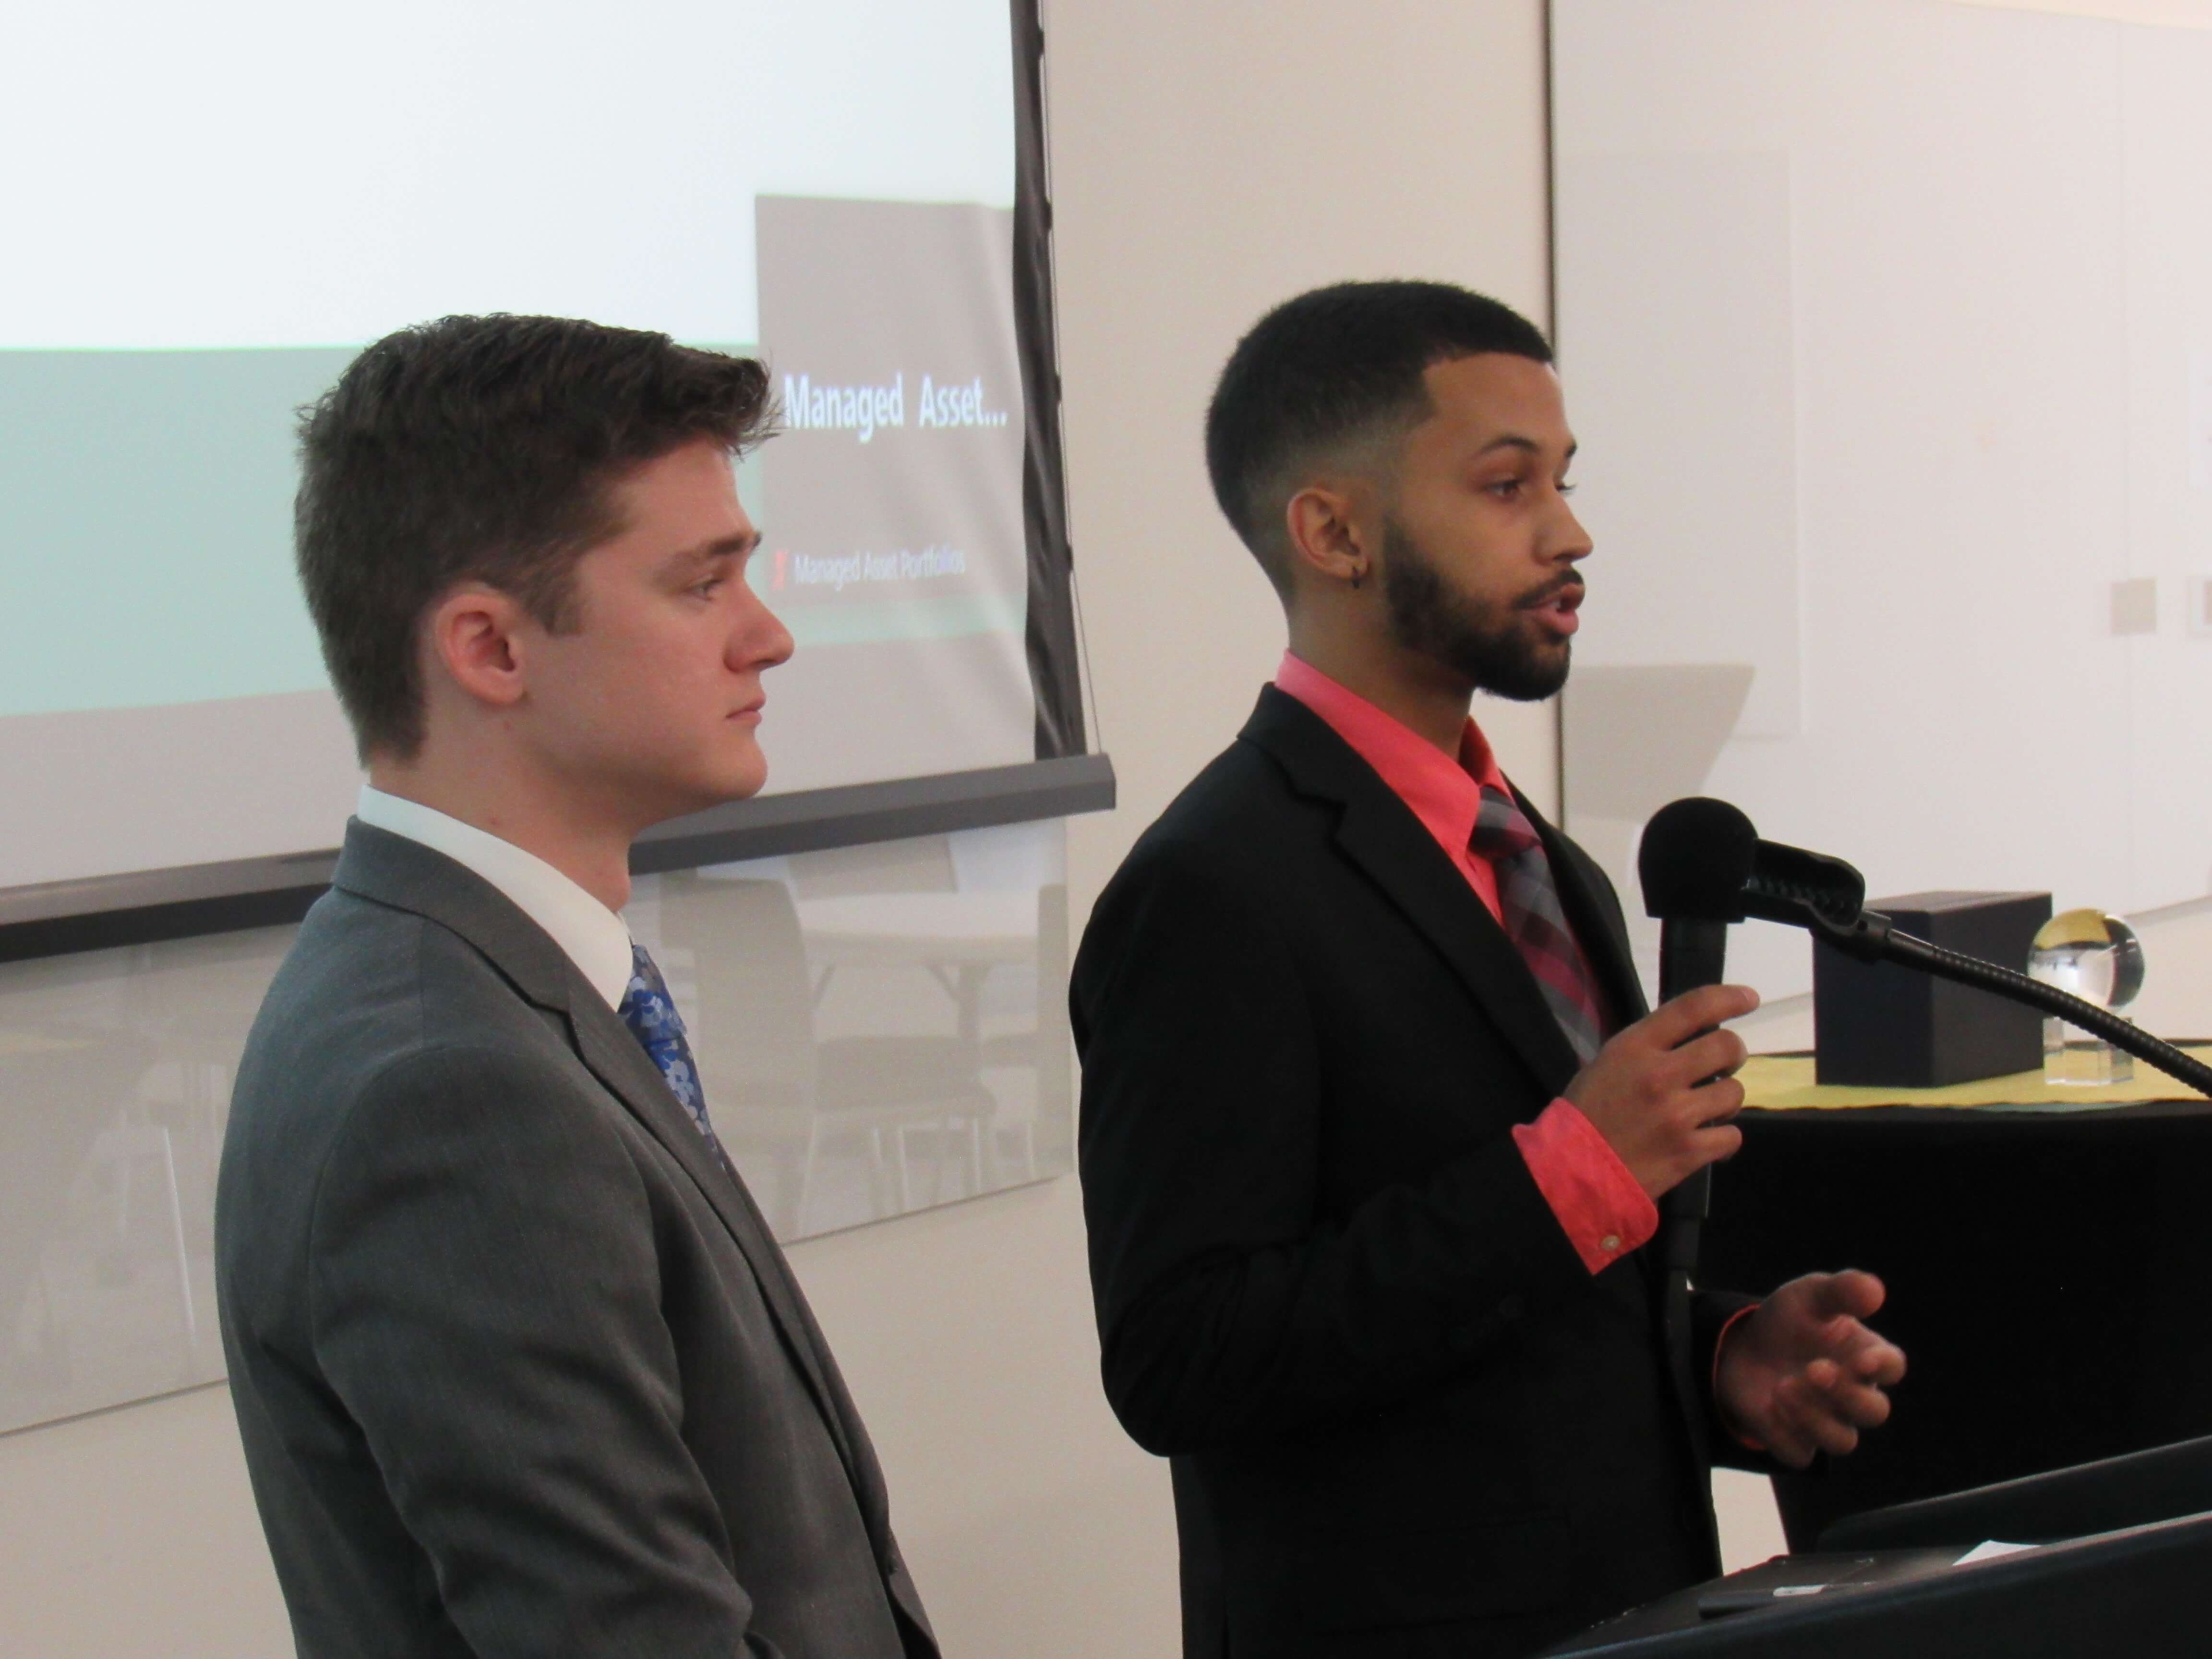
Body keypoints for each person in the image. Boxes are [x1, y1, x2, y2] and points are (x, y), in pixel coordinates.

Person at [1072, 281, 1907, 1659]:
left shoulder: (1537, 858)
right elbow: (1186, 1358)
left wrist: (1719, 1361)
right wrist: (1571, 1171)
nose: (1571, 534)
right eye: (1508, 486)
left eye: (1565, 483)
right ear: (1334, 532)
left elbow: (1528, 1315)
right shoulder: (1212, 891)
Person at [215, 315, 936, 1659]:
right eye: (700, 584)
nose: (767, 636)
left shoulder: (471, 990)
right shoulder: (449, 1091)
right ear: (492, 649)